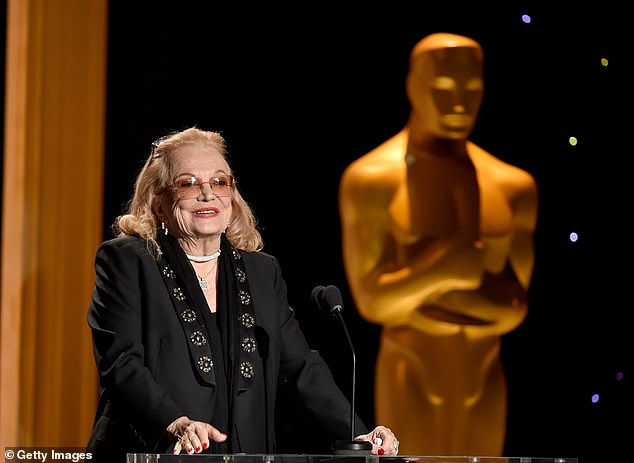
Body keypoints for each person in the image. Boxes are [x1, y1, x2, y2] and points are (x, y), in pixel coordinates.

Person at [86, 126, 399, 462]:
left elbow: (299, 367)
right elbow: (121, 364)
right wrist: (174, 423)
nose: (208, 194)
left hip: (245, 453)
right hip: (152, 452)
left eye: (220, 182)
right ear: (159, 203)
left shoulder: (261, 272)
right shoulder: (127, 262)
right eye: (188, 183)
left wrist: (356, 433)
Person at [339, 33, 538, 456]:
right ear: (413, 87)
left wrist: (421, 289)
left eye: (472, 90)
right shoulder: (373, 179)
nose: (460, 105)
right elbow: (372, 301)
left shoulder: (512, 186)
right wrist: (444, 267)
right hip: (411, 366)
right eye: (443, 90)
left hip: (485, 370)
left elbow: (516, 307)